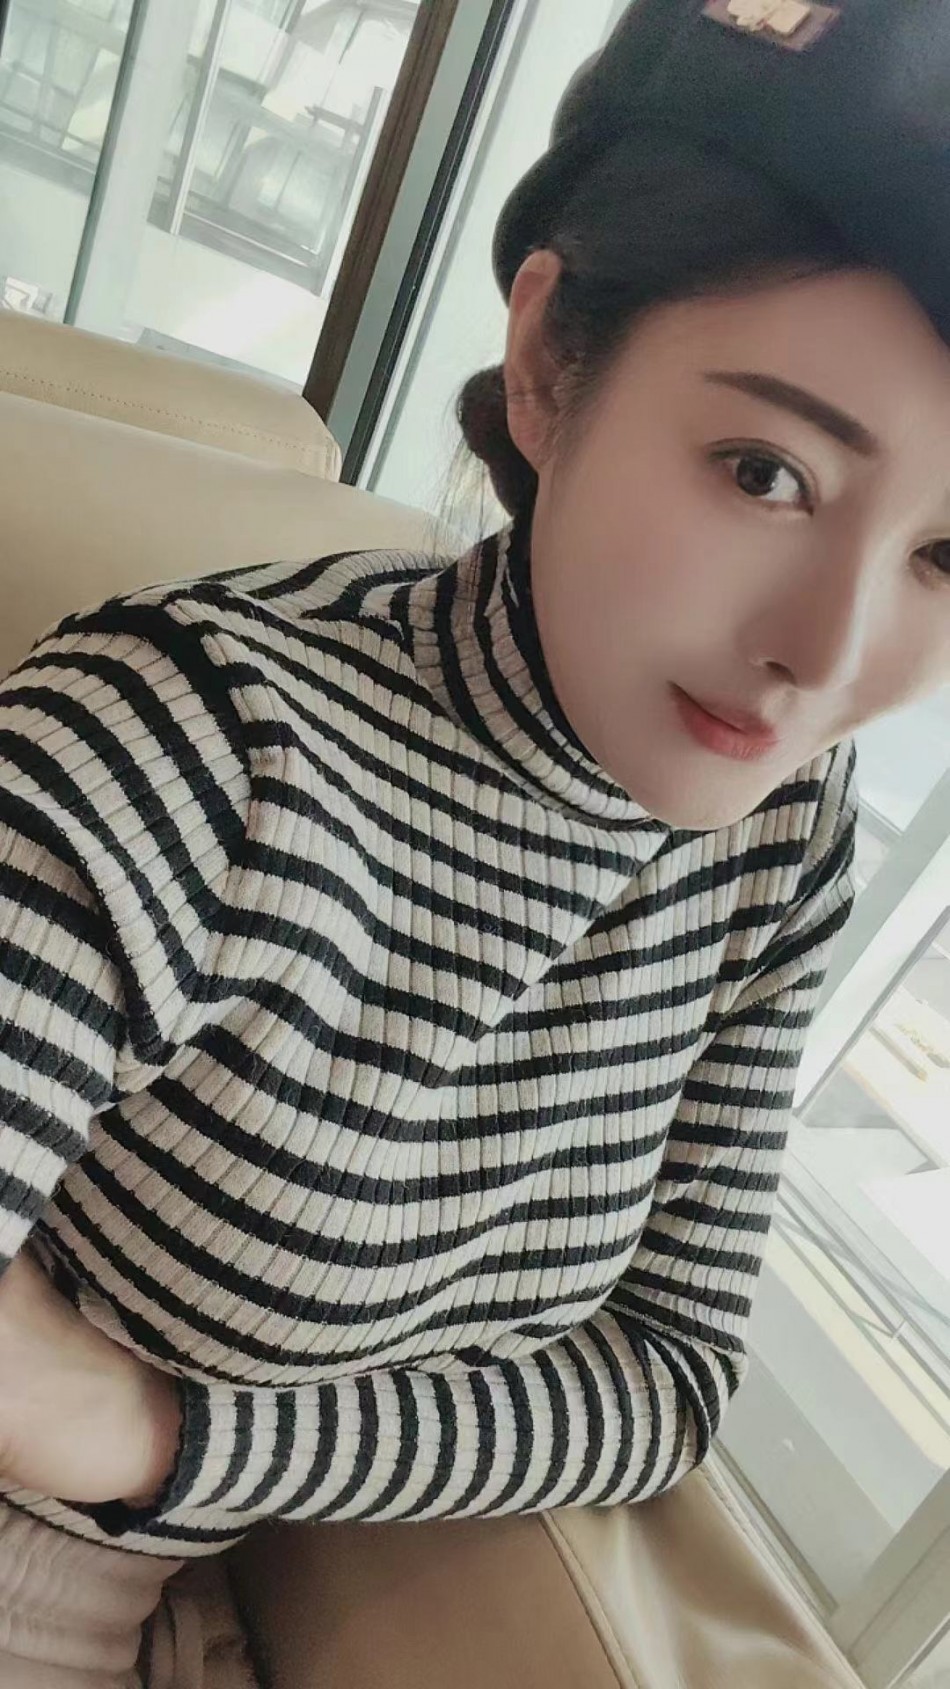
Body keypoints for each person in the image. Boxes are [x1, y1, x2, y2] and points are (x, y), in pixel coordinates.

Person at [2, 0, 950, 1678]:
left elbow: (664, 1379)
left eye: (948, 556)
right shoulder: (187, 744)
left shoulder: (775, 846)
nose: (825, 652)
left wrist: (158, 1434)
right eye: (765, 472)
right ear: (545, 361)